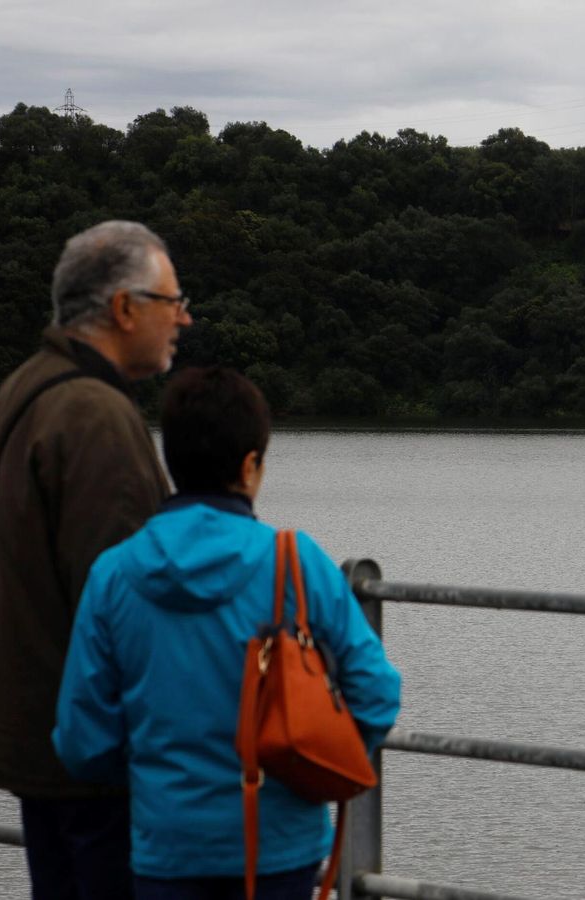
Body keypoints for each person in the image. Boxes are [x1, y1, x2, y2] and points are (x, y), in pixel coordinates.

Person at [52, 366, 402, 900]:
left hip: (165, 849)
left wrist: (155, 782)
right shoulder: (295, 563)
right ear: (249, 465)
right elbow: (376, 693)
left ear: (171, 462)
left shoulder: (113, 574)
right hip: (279, 847)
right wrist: (315, 766)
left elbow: (81, 740)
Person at [0, 219, 192, 899]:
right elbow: (128, 607)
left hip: (42, 733)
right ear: (124, 308)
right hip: (98, 756)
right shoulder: (94, 414)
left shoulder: (23, 388)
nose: (183, 318)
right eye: (171, 301)